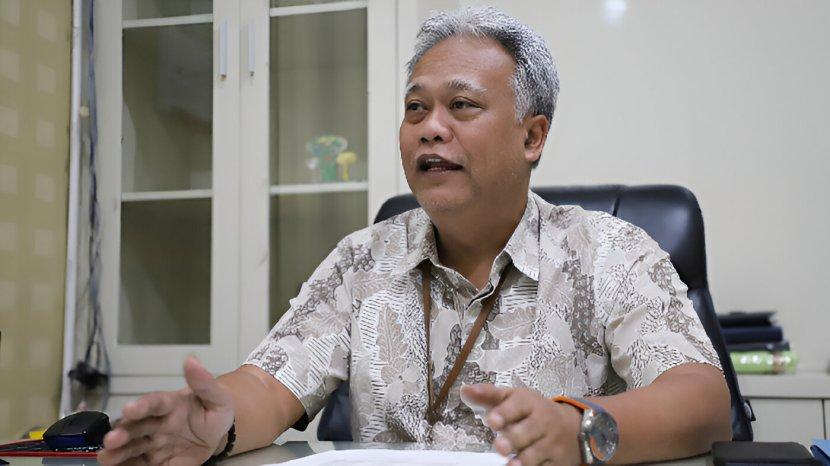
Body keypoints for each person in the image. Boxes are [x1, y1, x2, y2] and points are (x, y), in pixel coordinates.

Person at [97, 6, 731, 466]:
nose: (430, 128)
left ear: (532, 136)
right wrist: (219, 422)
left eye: (462, 106)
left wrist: (579, 430)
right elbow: (270, 384)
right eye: (415, 108)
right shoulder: (362, 259)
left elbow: (703, 400)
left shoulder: (608, 252)